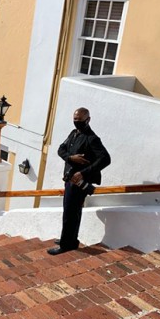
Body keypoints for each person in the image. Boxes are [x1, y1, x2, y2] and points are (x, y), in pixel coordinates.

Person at [47, 107, 111, 256]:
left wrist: (83, 173)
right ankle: (70, 240)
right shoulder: (73, 133)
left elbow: (105, 159)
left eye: (80, 120)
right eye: (75, 119)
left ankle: (66, 245)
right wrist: (71, 158)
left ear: (88, 120)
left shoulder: (92, 138)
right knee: (71, 211)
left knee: (70, 213)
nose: (77, 122)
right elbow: (61, 150)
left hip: (79, 183)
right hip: (69, 179)